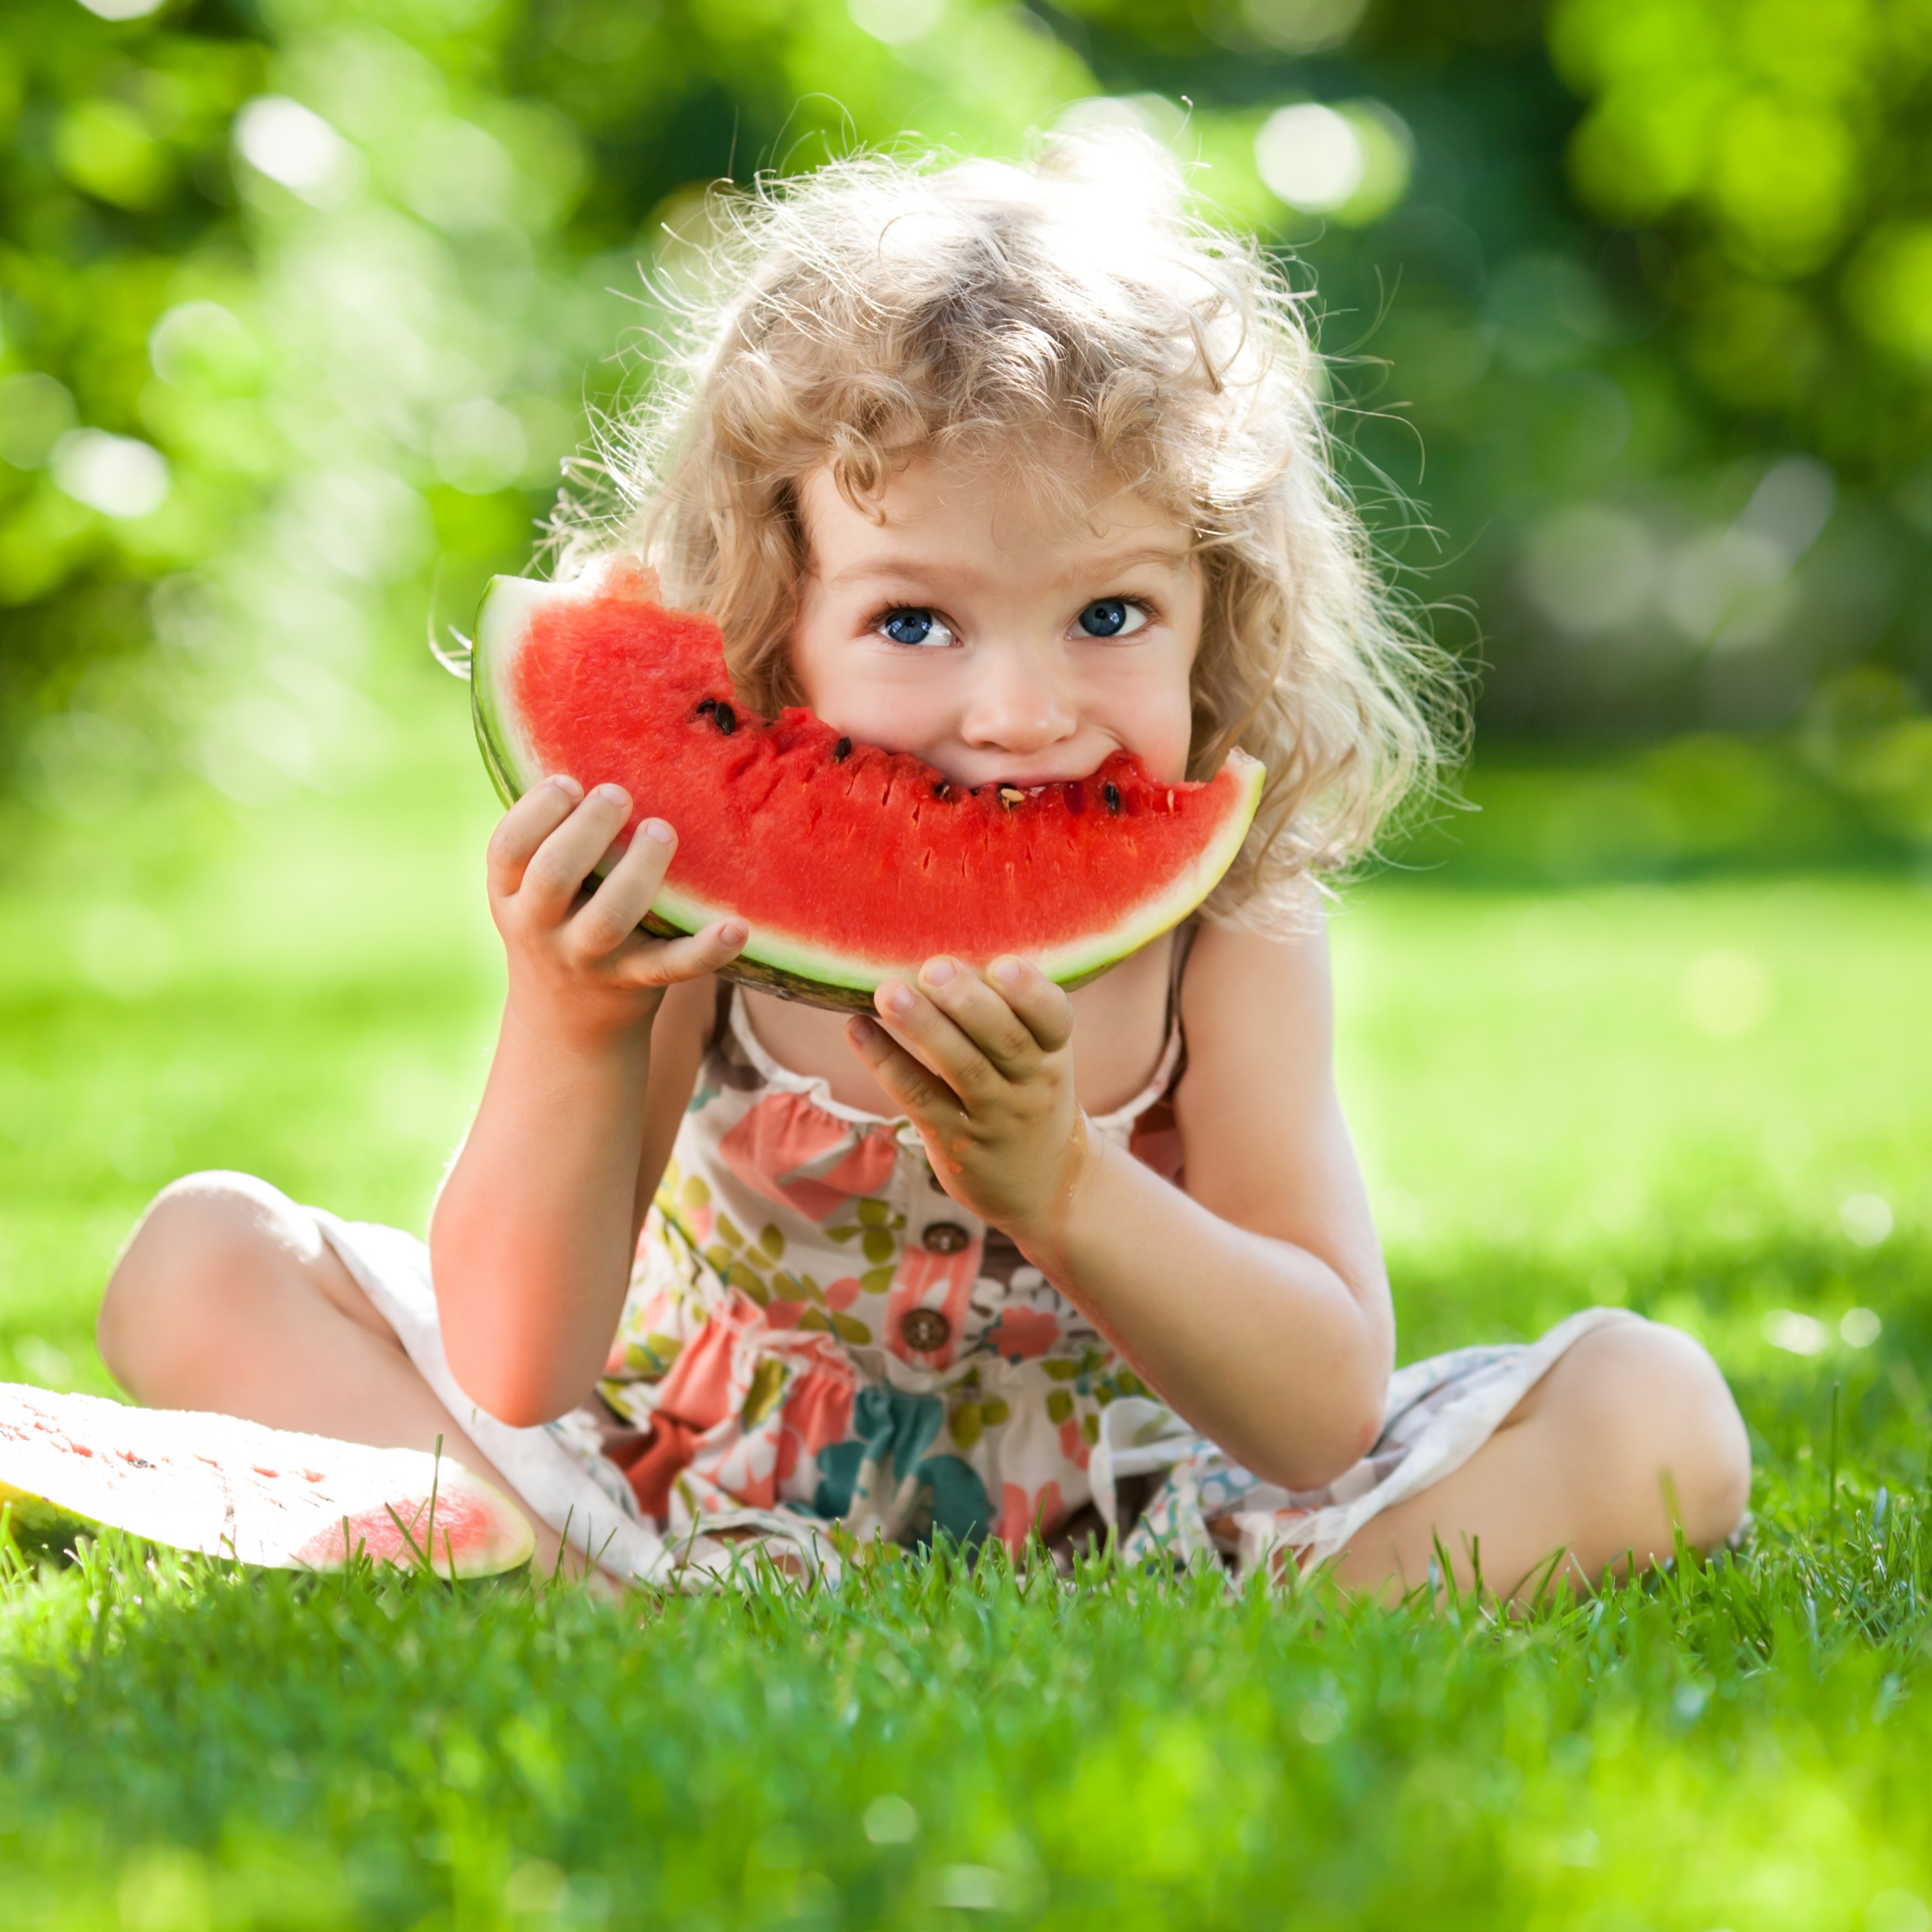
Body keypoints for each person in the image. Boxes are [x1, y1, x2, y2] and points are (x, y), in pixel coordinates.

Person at [97, 139, 1750, 1598]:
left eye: (1109, 613)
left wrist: (1065, 1181)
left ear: (1219, 613)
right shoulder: (699, 899)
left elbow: (1317, 1403)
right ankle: (606, 1603)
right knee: (200, 1256)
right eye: (911, 619)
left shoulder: (1230, 916)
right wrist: (572, 1019)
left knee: (1656, 1411)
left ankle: (1184, 1638)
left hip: (1152, 1512)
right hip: (689, 1484)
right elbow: (523, 1365)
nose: (1018, 713)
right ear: (773, 632)